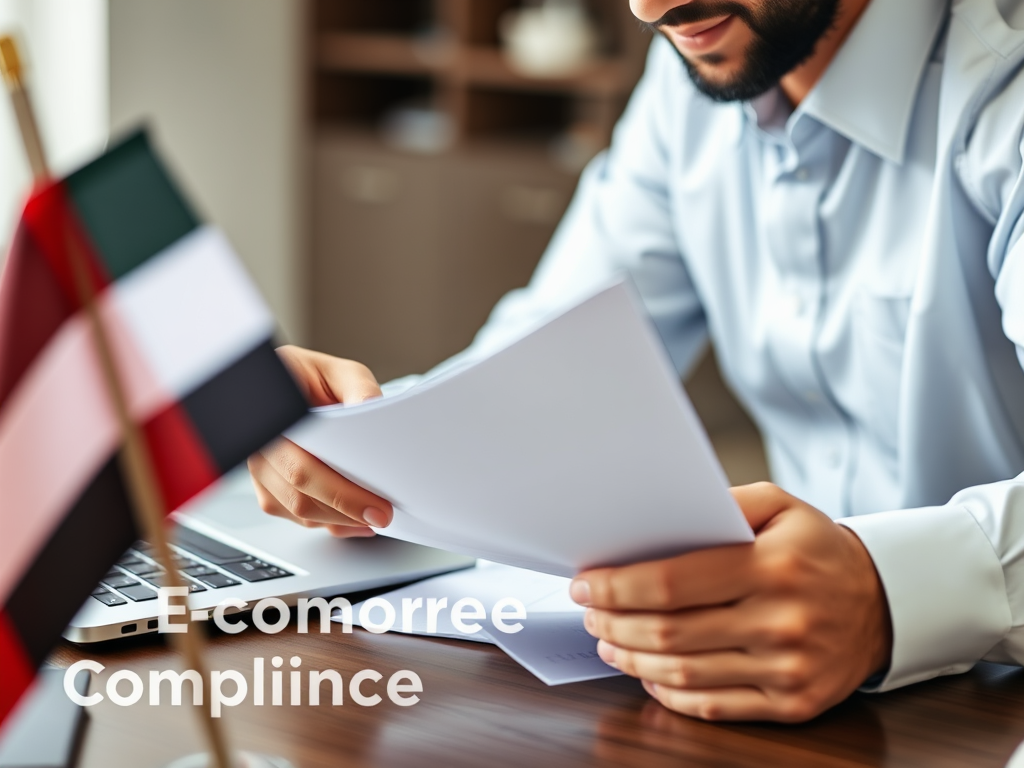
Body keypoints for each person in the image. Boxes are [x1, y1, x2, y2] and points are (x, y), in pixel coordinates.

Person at [248, 0, 1024, 722]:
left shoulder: (1003, 90)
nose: (649, 7)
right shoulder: (701, 69)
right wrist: (355, 437)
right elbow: (537, 374)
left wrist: (889, 593)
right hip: (783, 691)